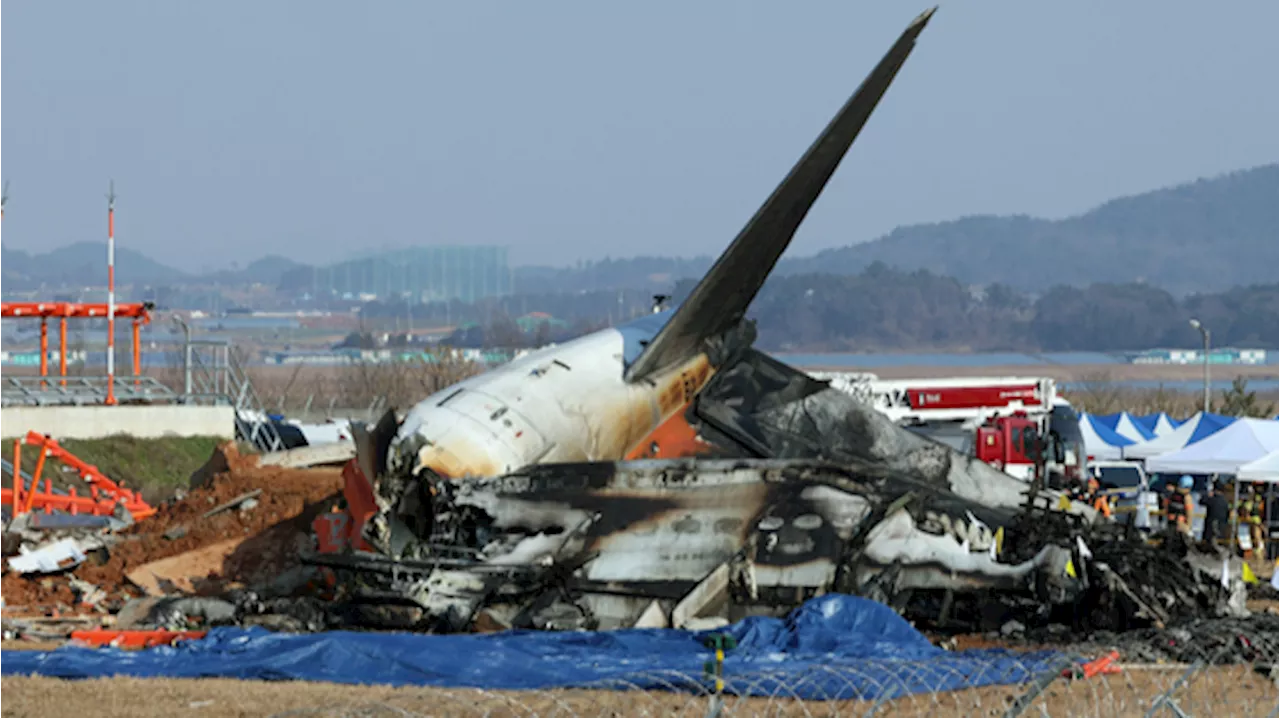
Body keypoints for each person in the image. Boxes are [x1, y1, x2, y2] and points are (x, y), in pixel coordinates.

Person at [1202, 480, 1230, 549]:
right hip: (1222, 525)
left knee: (1211, 542)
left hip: (1211, 525)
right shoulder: (1225, 501)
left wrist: (1208, 495)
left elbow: (1202, 501)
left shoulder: (1212, 499)